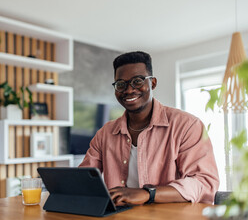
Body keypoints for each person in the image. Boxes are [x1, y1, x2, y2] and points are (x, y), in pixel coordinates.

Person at [79, 51, 219, 205]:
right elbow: (84, 178)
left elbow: (204, 182)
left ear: (152, 83)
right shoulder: (105, 133)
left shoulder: (187, 125)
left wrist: (148, 193)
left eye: (137, 81)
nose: (129, 90)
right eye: (121, 84)